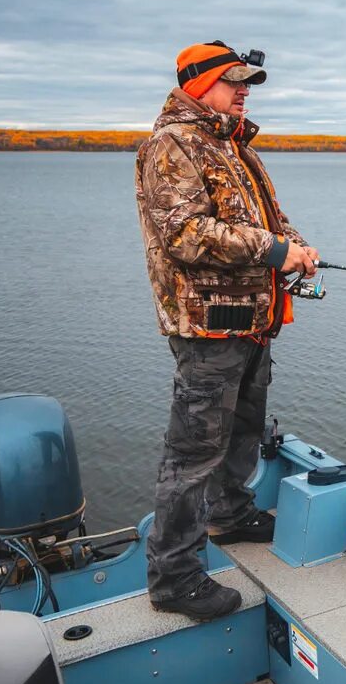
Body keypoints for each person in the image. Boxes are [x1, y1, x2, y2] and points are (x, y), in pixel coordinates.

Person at [134, 41, 318, 620]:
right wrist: (276, 250)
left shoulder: (234, 145)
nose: (243, 90)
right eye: (232, 80)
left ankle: (231, 516)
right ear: (197, 84)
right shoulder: (173, 144)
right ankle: (174, 578)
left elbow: (269, 220)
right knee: (193, 454)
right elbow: (184, 235)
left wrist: (295, 247)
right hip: (207, 328)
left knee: (245, 428)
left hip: (252, 322)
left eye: (247, 82)